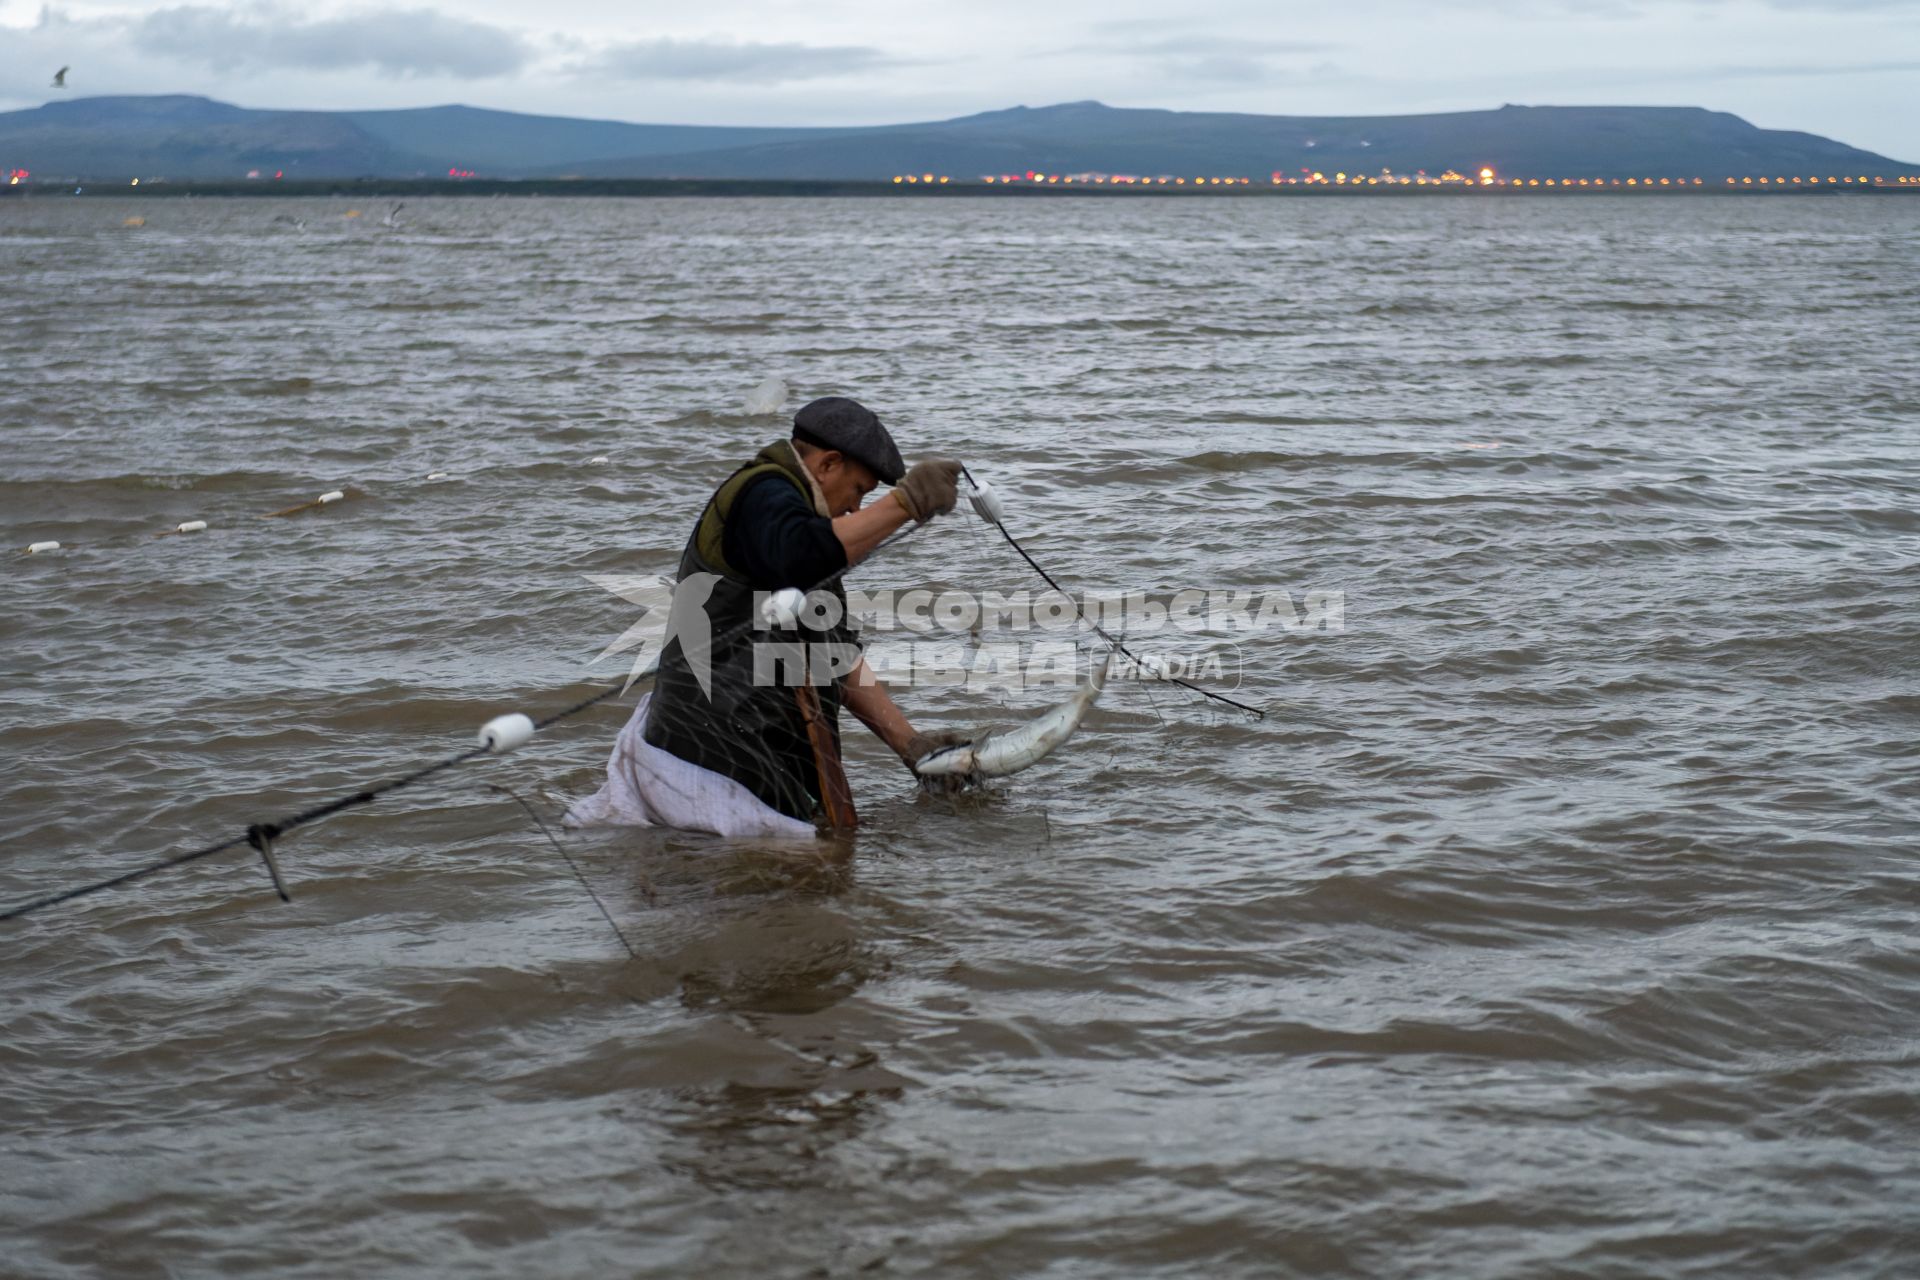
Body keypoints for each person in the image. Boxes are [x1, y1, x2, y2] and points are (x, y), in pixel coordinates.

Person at [565, 396, 964, 838]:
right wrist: (904, 503)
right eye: (859, 492)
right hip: (708, 762)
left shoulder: (810, 528)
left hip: (751, 756)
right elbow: (800, 553)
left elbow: (835, 657)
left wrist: (911, 746)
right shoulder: (764, 494)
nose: (856, 511)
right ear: (829, 465)